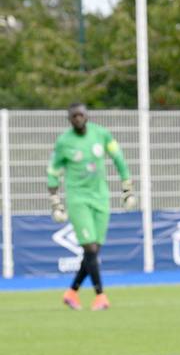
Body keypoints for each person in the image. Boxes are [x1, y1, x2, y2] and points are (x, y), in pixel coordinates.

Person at [47, 103, 136, 311]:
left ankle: (71, 292)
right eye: (74, 116)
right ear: (69, 119)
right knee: (90, 248)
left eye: (81, 115)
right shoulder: (64, 142)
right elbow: (53, 170)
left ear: (87, 116)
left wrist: (127, 188)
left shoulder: (101, 134)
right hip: (78, 199)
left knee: (94, 251)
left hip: (101, 199)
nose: (78, 118)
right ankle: (100, 296)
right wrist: (55, 202)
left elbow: (118, 157)